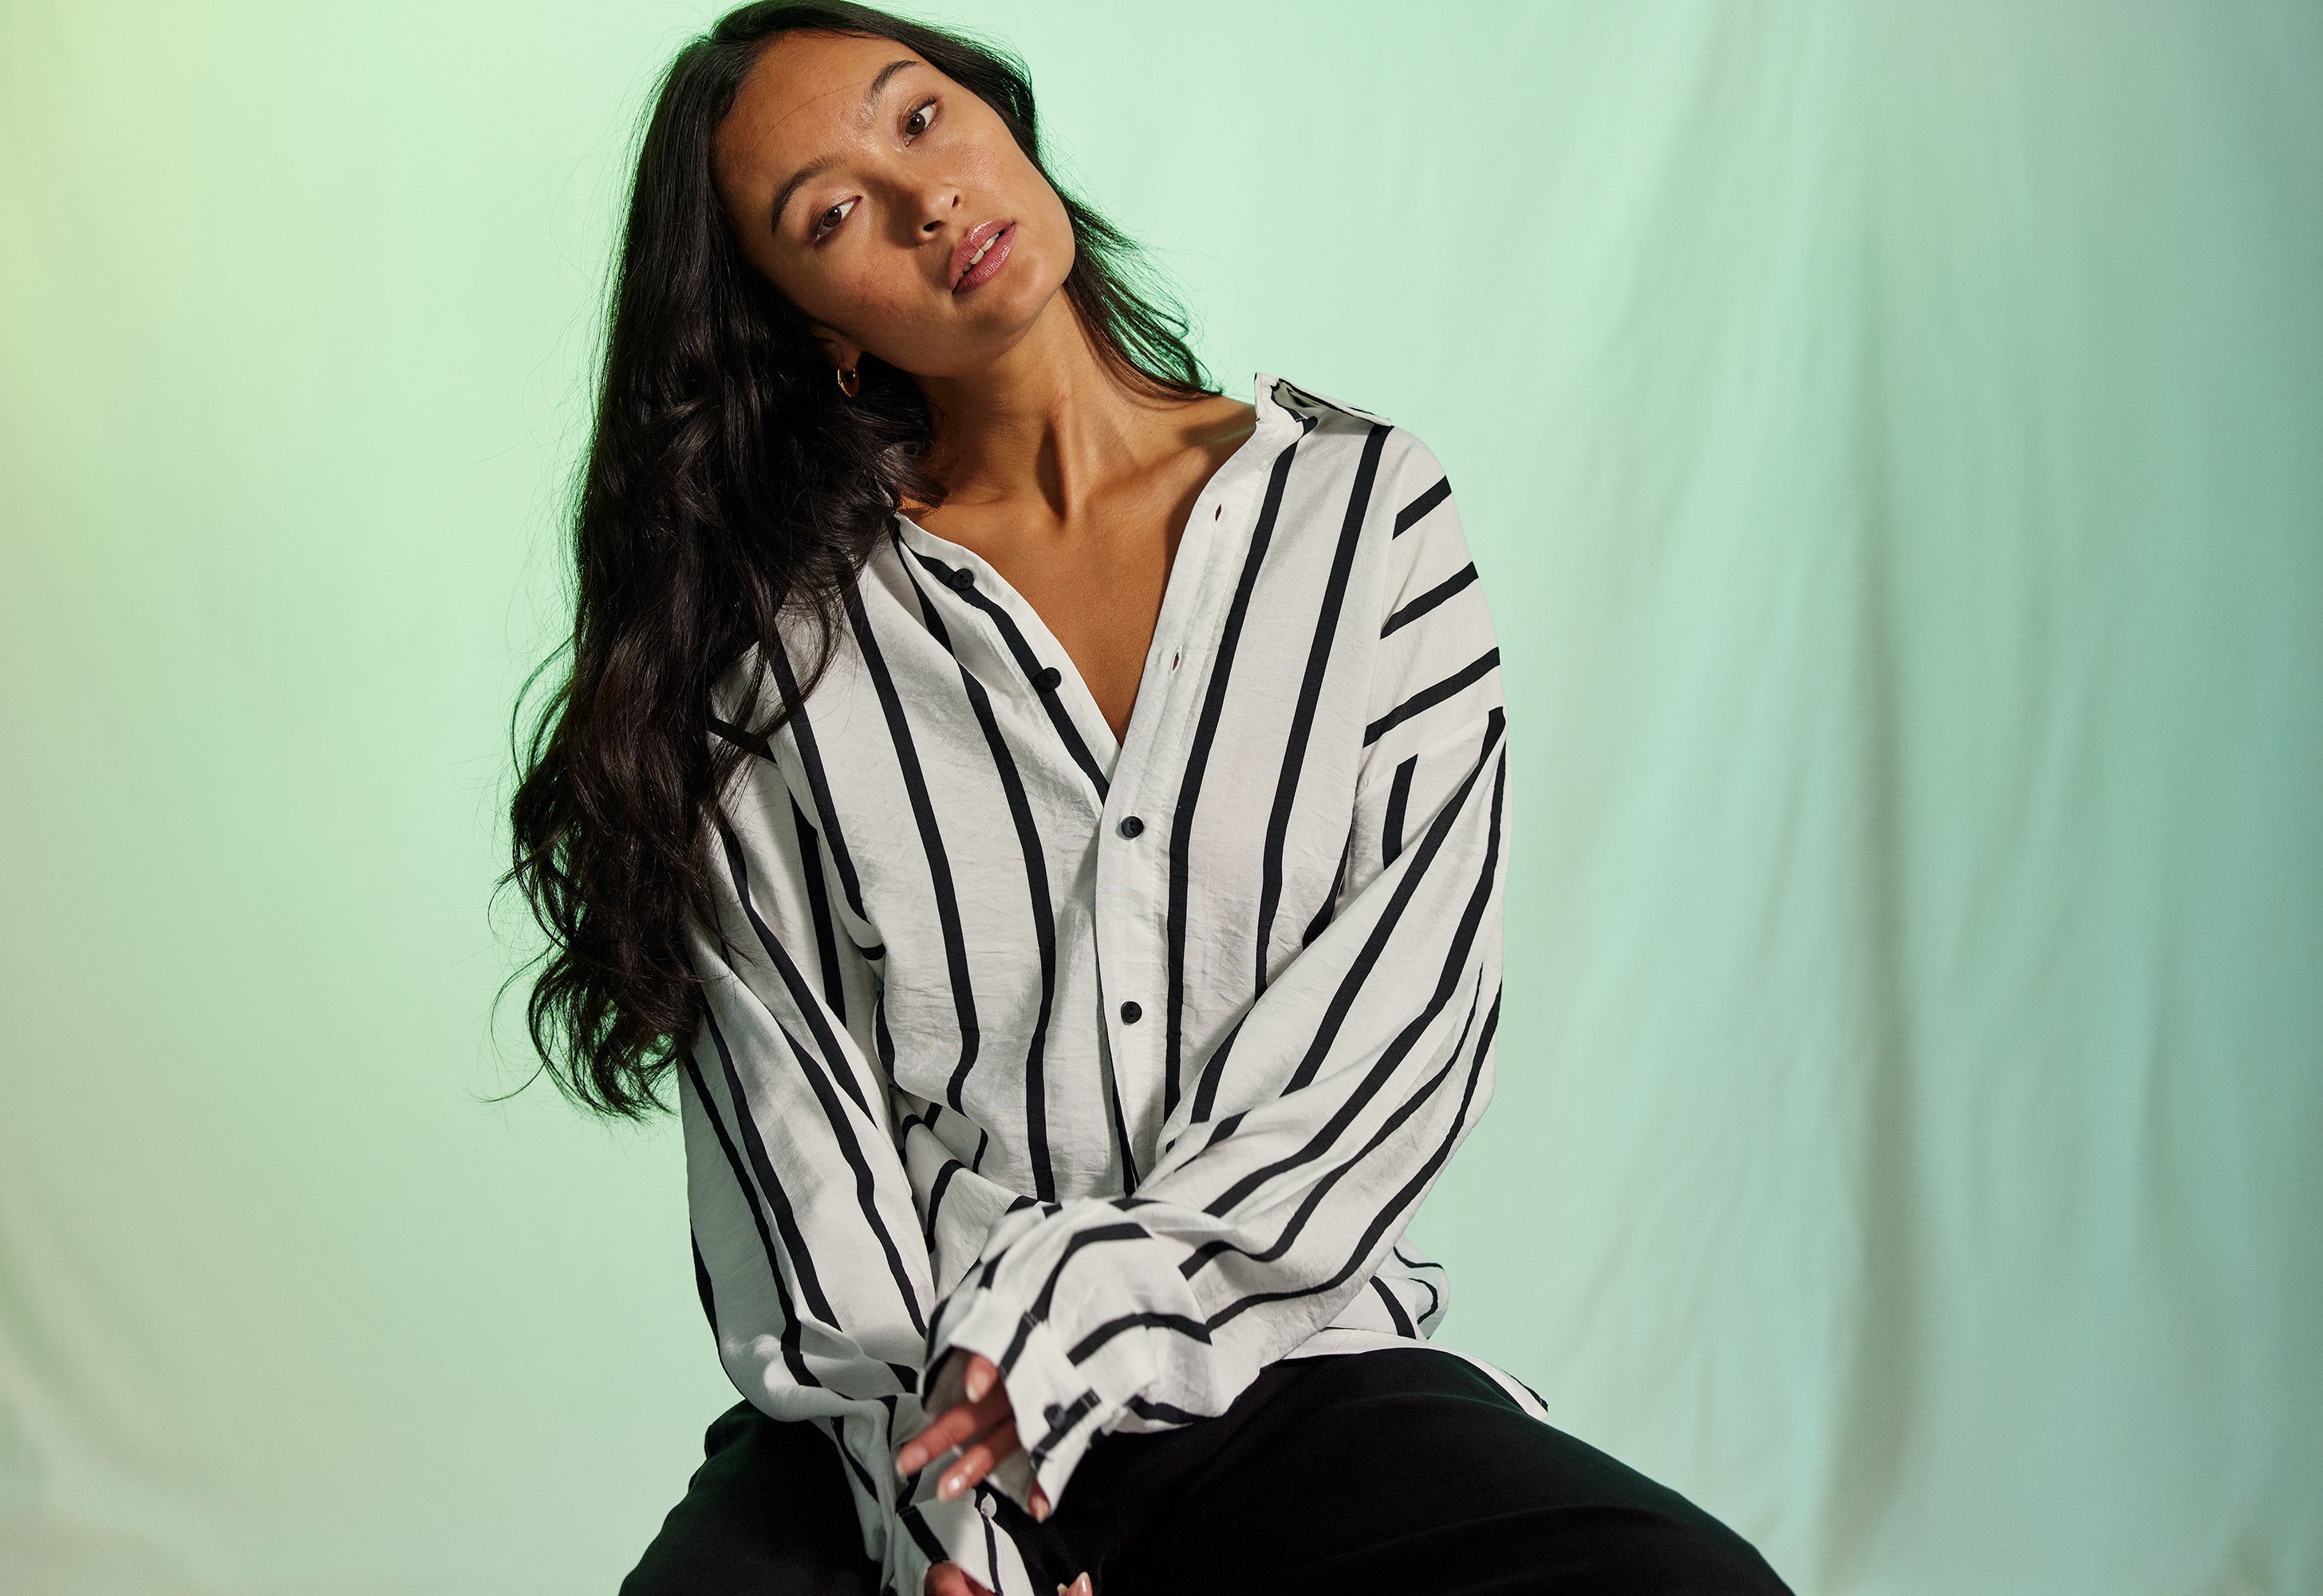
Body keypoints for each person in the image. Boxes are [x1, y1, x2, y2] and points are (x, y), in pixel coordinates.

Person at [508, 4, 1793, 1592]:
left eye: (920, 119)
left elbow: (1395, 1038)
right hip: (902, 1405)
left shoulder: (1367, 523)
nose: (925, 200)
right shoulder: (780, 657)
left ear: (1000, 117)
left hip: (1283, 1364)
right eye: (832, 215)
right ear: (812, 324)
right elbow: (795, 1147)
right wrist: (954, 1526)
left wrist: (1069, 1325)